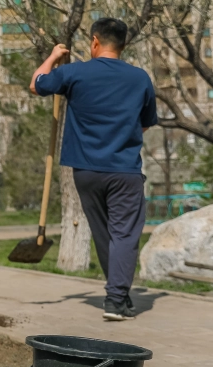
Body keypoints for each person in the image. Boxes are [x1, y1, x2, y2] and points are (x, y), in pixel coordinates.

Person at [30, 18, 157, 321]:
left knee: (104, 235)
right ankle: (115, 299)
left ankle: (119, 296)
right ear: (123, 45)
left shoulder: (74, 73)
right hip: (124, 170)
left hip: (85, 171)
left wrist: (52, 58)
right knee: (124, 235)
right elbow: (146, 123)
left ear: (95, 42)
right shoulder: (140, 78)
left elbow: (36, 85)